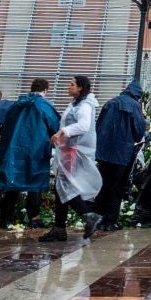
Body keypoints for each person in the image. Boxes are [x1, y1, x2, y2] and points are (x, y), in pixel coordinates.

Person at [42, 75, 102, 243]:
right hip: (68, 149)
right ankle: (60, 228)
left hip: (74, 152)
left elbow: (84, 125)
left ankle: (88, 216)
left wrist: (63, 132)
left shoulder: (84, 105)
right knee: (61, 187)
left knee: (63, 186)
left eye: (72, 84)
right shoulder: (77, 103)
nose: (68, 86)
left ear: (81, 87)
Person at [0, 78, 58, 228]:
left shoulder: (16, 104)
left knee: (12, 182)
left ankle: (5, 218)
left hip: (14, 150)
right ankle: (34, 219)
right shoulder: (44, 105)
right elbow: (55, 125)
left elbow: (4, 127)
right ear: (45, 90)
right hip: (35, 150)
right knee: (34, 184)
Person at [92, 79, 147, 232]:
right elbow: (138, 132)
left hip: (104, 152)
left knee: (103, 185)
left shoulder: (110, 103)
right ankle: (110, 221)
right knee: (117, 187)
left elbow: (98, 126)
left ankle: (96, 218)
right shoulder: (134, 105)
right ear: (138, 96)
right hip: (121, 153)